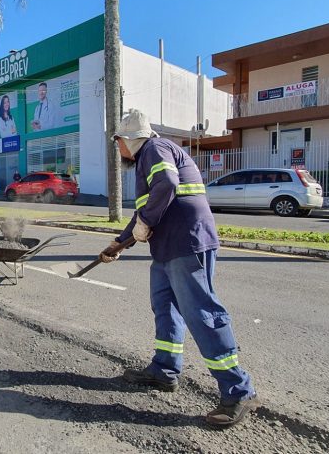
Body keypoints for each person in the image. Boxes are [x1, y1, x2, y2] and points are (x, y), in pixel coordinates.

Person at [99, 108, 259, 428]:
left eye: (117, 142)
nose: (117, 149)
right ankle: (164, 370)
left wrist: (145, 221)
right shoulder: (150, 157)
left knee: (201, 314)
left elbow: (168, 184)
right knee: (165, 307)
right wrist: (117, 245)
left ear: (128, 139)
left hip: (187, 245)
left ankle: (238, 390)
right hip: (167, 249)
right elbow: (143, 212)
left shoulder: (154, 149)